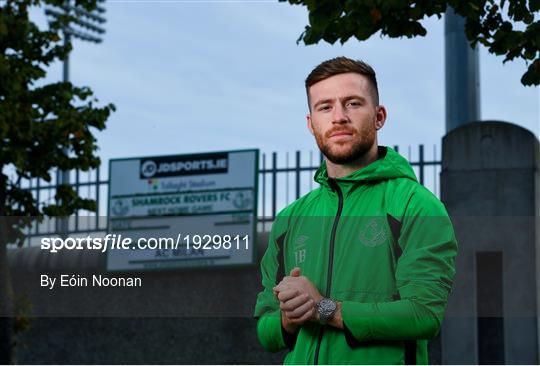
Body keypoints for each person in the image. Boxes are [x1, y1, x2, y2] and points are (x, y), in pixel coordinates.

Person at [253, 57, 458, 364]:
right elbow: (265, 332)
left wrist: (325, 308)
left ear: (379, 116)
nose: (339, 117)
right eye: (325, 107)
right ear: (311, 124)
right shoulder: (291, 218)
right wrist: (289, 319)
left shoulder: (416, 205)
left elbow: (424, 315)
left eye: (352, 103)